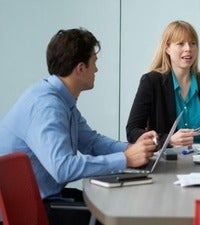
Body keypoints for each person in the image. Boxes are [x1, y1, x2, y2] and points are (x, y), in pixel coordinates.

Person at [0, 28, 158, 225]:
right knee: (118, 217)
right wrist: (125, 159)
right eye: (94, 62)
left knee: (110, 202)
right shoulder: (47, 106)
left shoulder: (61, 99)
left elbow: (90, 141)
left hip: (42, 199)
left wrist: (130, 149)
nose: (97, 70)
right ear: (80, 68)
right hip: (32, 210)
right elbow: (63, 168)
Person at [126, 20, 200, 147]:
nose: (188, 49)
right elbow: (132, 132)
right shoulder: (151, 82)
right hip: (169, 162)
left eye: (192, 43)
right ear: (167, 48)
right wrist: (168, 140)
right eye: (180, 44)